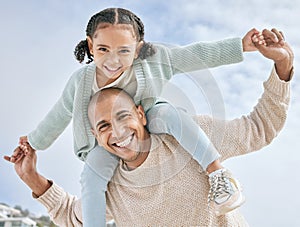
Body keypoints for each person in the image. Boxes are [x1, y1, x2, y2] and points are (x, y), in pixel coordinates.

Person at [8, 7, 277, 226]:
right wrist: (33, 142)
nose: (112, 60)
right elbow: (60, 114)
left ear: (137, 48)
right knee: (91, 177)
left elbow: (193, 55)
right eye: (103, 50)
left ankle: (217, 174)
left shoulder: (152, 62)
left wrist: (240, 46)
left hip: (151, 118)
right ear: (91, 46)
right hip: (103, 144)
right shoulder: (81, 82)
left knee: (170, 114)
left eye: (123, 51)